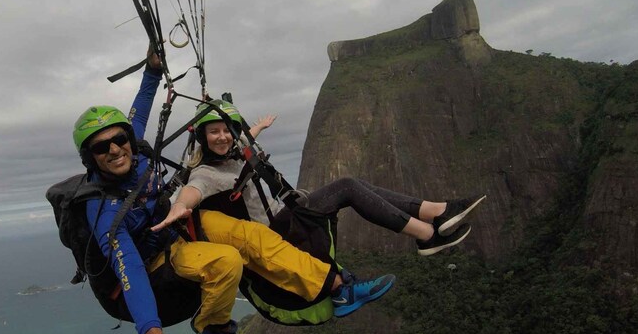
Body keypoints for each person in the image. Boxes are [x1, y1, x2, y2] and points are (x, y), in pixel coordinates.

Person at [70, 50, 394, 334]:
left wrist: (152, 71)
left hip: (174, 228)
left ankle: (338, 288)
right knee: (227, 261)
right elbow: (131, 272)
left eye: (119, 139)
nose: (114, 149)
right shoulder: (104, 213)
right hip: (154, 261)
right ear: (90, 158)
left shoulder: (132, 149)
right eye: (101, 147)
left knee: (252, 235)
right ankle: (213, 324)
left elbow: (141, 106)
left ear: (128, 139)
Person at [156, 100, 484, 257]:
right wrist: (179, 207)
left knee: (357, 185)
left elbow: (241, 138)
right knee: (348, 188)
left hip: (287, 212)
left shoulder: (233, 149)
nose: (223, 137)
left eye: (227, 130)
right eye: (214, 132)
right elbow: (193, 190)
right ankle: (427, 234)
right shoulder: (208, 172)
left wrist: (258, 128)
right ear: (202, 137)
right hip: (279, 228)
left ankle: (436, 211)